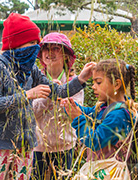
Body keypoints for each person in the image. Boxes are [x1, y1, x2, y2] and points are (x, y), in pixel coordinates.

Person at [0, 13, 95, 180]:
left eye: (37, 43)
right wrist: (28, 94)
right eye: (32, 42)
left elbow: (58, 92)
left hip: (26, 144)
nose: (36, 47)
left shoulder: (30, 68)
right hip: (0, 142)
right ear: (18, 42)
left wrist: (82, 78)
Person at [31, 32, 84, 180]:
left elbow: (74, 114)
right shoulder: (33, 79)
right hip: (37, 146)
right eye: (46, 49)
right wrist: (51, 94)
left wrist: (59, 96)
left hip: (64, 145)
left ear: (66, 55)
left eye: (56, 48)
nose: (50, 53)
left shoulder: (74, 81)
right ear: (41, 55)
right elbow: (32, 112)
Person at [62, 59, 136, 162]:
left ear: (116, 84)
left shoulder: (118, 115)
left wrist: (78, 119)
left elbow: (95, 142)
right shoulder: (107, 106)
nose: (93, 87)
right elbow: (89, 113)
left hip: (108, 173)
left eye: (99, 82)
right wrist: (71, 107)